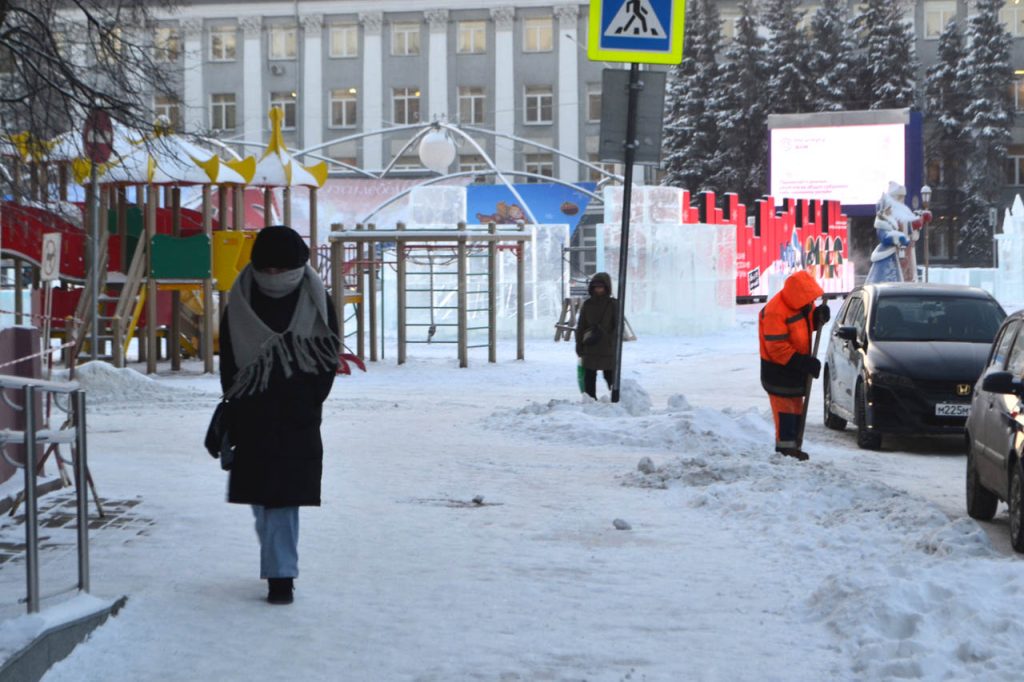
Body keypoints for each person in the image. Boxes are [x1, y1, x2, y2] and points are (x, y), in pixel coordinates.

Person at [219, 225, 340, 605]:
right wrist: (238, 401)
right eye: (266, 270)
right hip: (251, 411)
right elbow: (229, 360)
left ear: (298, 266)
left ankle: (281, 576)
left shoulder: (316, 298)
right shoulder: (240, 298)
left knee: (280, 500)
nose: (273, 278)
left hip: (298, 415)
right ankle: (277, 564)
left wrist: (306, 404)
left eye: (281, 270)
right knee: (263, 499)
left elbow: (327, 358)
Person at [758, 269, 829, 461]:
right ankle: (785, 452)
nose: (810, 302)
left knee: (796, 409)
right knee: (785, 413)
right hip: (778, 372)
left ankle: (794, 448)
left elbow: (804, 326)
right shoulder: (775, 312)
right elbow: (777, 349)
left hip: (794, 371)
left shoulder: (802, 305)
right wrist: (804, 363)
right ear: (798, 295)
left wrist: (817, 318)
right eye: (808, 299)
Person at [575, 272, 619, 399]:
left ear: (607, 287)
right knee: (589, 376)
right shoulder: (587, 304)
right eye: (595, 286)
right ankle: (590, 401)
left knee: (610, 375)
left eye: (601, 286)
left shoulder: (613, 304)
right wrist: (579, 345)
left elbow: (618, 326)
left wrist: (612, 341)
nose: (598, 289)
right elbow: (581, 326)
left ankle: (617, 400)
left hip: (607, 348)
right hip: (590, 346)